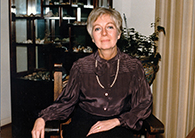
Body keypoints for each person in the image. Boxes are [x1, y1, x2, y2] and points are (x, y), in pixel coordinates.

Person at [31, 7, 152, 138]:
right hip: (84, 124)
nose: (104, 33)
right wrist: (42, 118)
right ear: (92, 38)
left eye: (110, 27)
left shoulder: (134, 67)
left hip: (118, 125)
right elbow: (66, 101)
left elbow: (143, 104)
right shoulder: (81, 67)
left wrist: (117, 121)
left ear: (118, 34)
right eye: (98, 28)